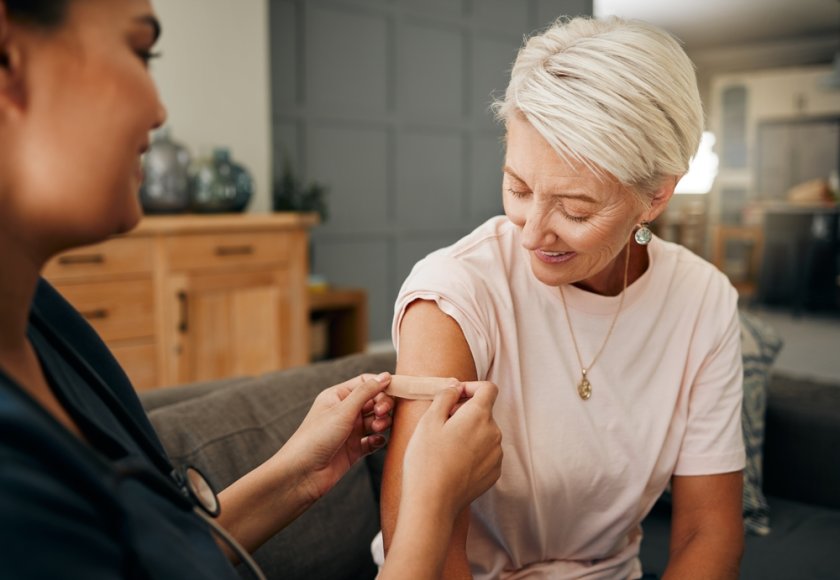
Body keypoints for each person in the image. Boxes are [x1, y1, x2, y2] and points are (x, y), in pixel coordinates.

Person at [0, 1, 502, 578]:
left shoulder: (47, 330)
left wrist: (294, 477)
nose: (159, 110)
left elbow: (151, 562)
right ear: (8, 56)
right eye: (142, 52)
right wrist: (430, 507)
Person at [380, 15, 745, 580]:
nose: (531, 233)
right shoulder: (453, 296)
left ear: (655, 196)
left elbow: (707, 528)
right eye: (518, 188)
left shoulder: (703, 301)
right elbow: (422, 549)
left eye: (575, 210)